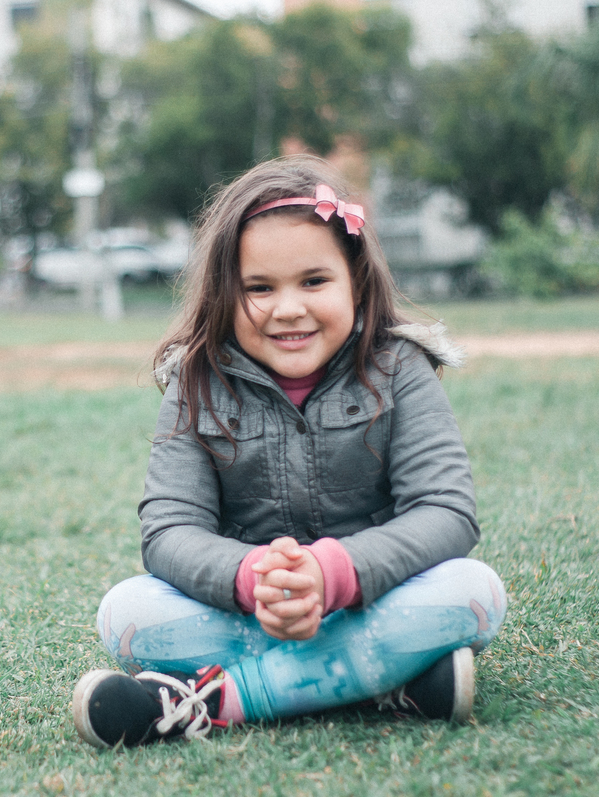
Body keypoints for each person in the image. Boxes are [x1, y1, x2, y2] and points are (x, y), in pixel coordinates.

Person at [71, 155, 508, 748]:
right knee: (126, 614)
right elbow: (169, 530)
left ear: (356, 279)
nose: (288, 309)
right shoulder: (196, 381)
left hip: (374, 601)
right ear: (224, 294)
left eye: (314, 281)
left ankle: (217, 700)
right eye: (259, 288)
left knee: (475, 592)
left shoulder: (399, 367)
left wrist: (335, 573)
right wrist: (252, 579)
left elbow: (446, 511)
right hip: (252, 615)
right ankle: (385, 680)